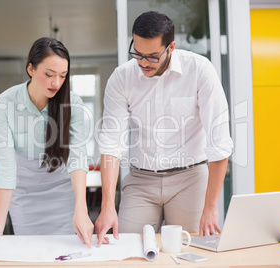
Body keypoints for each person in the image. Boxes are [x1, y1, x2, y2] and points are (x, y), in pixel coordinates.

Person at [95, 11, 233, 246]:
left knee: (190, 250)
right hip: (140, 179)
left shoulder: (199, 70)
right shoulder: (122, 78)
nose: (144, 62)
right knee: (126, 247)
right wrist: (107, 205)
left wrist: (211, 207)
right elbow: (111, 144)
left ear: (171, 47)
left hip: (190, 178)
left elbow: (219, 144)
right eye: (137, 53)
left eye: (152, 56)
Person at [0, 37, 94, 248]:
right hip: (24, 194)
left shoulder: (72, 103)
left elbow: (77, 156)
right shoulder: (7, 102)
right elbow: (6, 165)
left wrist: (82, 209)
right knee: (31, 252)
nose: (56, 83)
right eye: (49, 75)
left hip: (62, 191)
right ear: (30, 69)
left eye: (62, 76)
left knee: (65, 252)